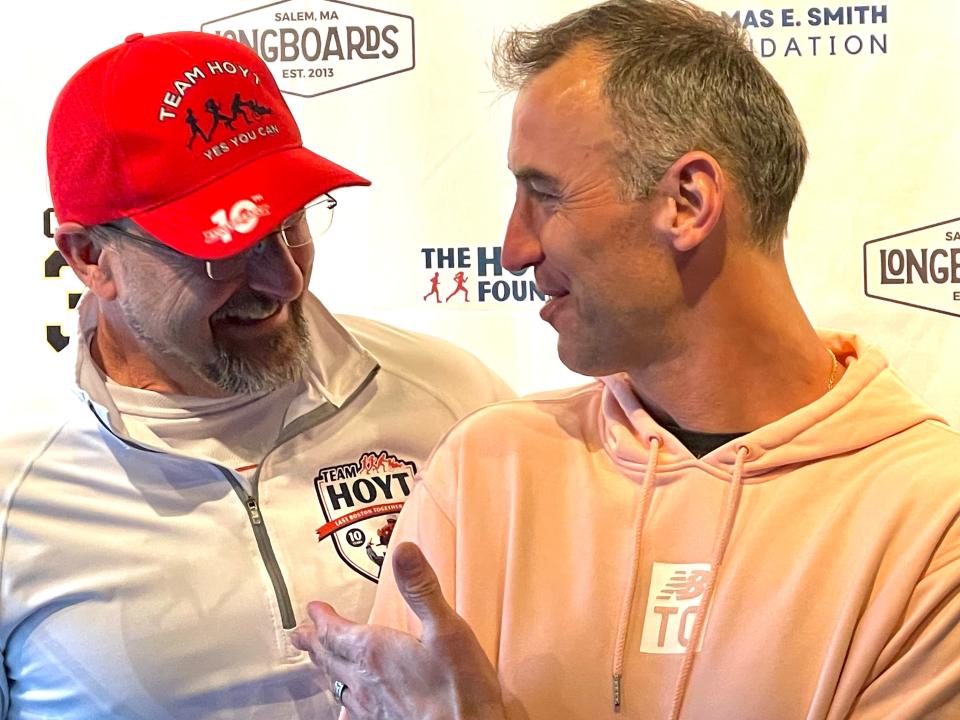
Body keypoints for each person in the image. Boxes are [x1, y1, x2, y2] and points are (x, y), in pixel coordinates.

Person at [291, 1, 960, 718]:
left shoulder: (933, 518)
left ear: (686, 201)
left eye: (543, 195)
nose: (513, 249)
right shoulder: (486, 472)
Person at [0, 31, 513, 720]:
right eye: (227, 245)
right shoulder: (16, 483)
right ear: (90, 256)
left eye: (290, 222)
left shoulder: (453, 401)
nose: (285, 278)